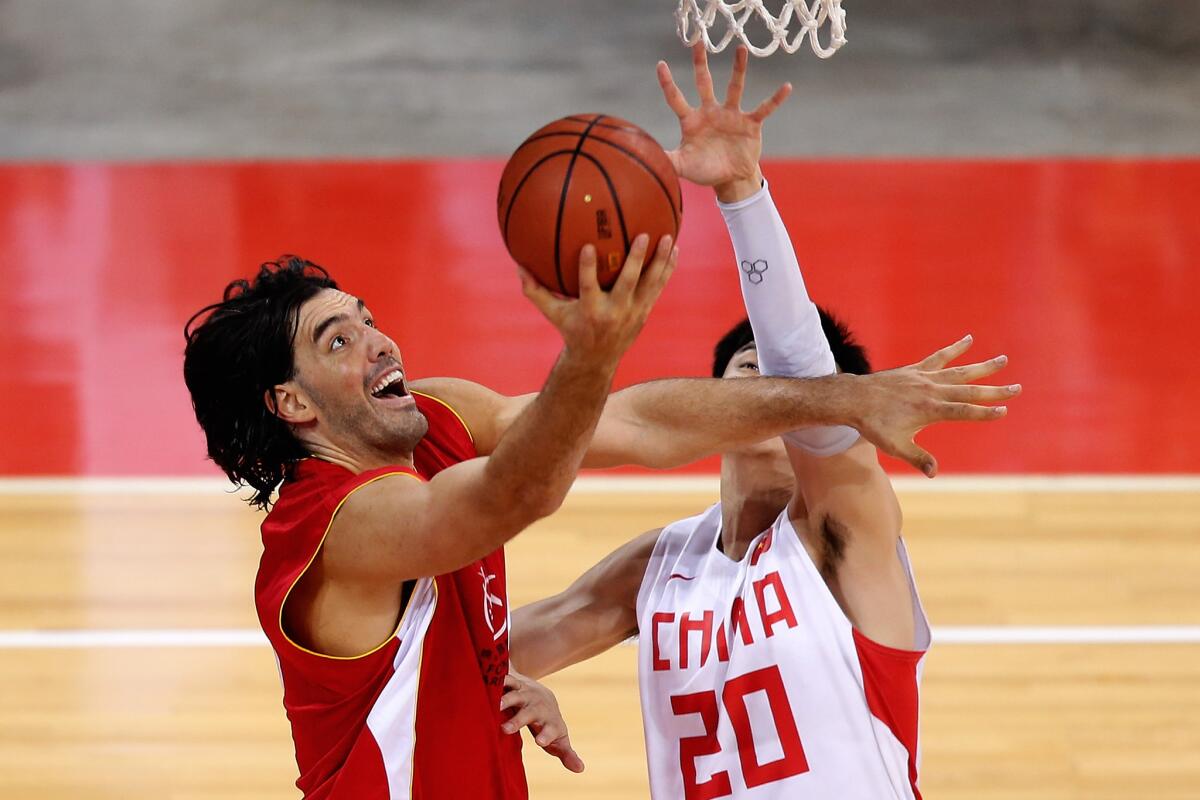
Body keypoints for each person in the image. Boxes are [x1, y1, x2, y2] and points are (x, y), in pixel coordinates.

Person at [182, 56, 1011, 800]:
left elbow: (629, 420)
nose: (380, 340)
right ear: (292, 405)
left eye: (366, 319)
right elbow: (518, 493)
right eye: (339, 340)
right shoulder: (342, 527)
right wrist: (592, 350)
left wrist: (835, 392)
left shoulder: (840, 532)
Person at [509, 45, 1021, 800]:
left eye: (787, 383)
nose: (769, 386)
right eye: (748, 374)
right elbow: (485, 651)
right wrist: (518, 686)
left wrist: (743, 192)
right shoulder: (661, 565)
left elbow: (808, 381)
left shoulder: (843, 531)